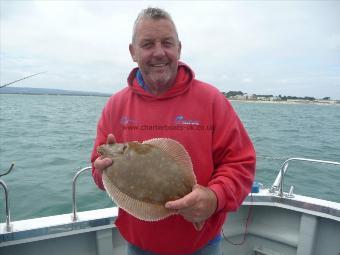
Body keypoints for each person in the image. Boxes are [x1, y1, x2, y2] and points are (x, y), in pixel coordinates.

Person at [91, 7, 256, 255]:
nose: (159, 52)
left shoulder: (211, 99)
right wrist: (101, 170)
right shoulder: (115, 105)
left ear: (179, 48)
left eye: (167, 43)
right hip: (139, 246)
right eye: (147, 44)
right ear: (133, 52)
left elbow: (241, 162)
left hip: (201, 245)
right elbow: (97, 168)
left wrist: (214, 198)